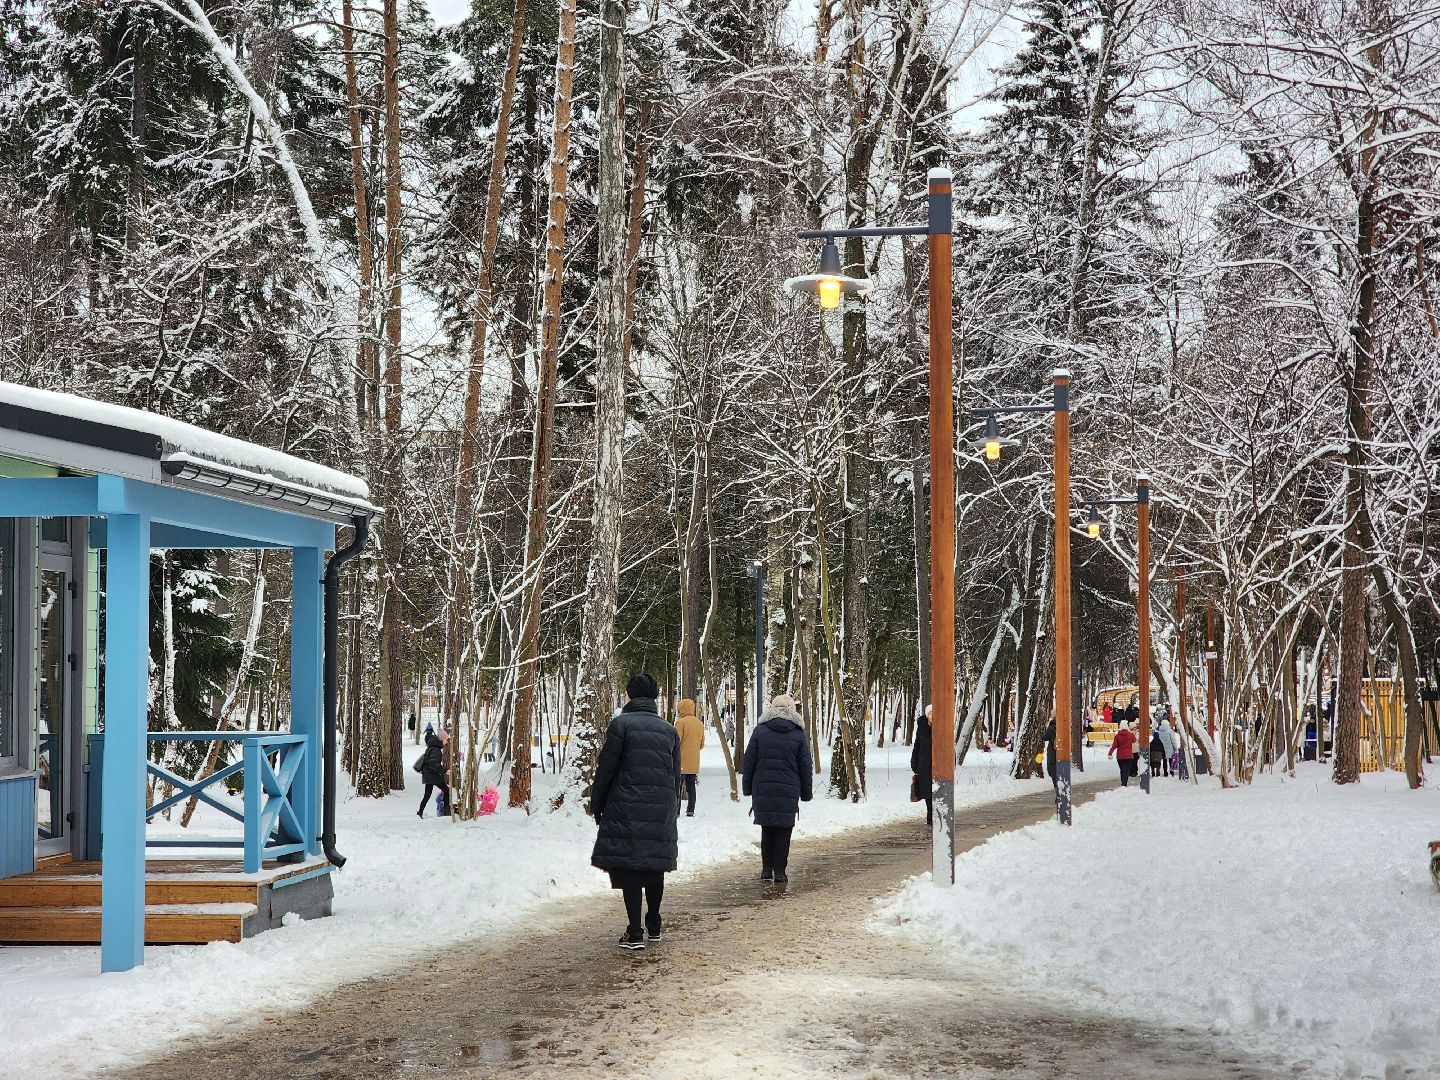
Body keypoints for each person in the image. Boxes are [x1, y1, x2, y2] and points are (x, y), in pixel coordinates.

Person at [591, 673, 682, 950]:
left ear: (630, 695)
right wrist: (673, 808)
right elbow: (675, 775)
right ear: (654, 698)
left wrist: (597, 804)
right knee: (654, 866)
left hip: (626, 807)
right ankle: (653, 923)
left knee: (631, 867)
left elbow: (606, 769)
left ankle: (634, 932)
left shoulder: (621, 725)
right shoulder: (669, 730)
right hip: (660, 808)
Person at [742, 693, 814, 883]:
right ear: (792, 711)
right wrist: (806, 793)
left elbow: (748, 762)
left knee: (767, 829)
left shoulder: (760, 731)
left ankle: (766, 869)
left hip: (763, 789)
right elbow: (805, 765)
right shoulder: (798, 734)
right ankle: (780, 872)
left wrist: (747, 788)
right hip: (789, 790)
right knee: (784, 830)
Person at [675, 697, 706, 817]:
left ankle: (676, 811)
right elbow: (701, 744)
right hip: (694, 761)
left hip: (681, 761)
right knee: (691, 788)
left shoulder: (680, 723)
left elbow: (676, 741)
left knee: (677, 787)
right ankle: (690, 810)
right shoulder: (699, 723)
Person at [416, 726, 450, 817]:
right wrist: (445, 771)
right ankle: (447, 810)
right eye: (446, 739)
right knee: (446, 790)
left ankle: (420, 811)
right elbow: (433, 764)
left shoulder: (432, 747)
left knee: (427, 794)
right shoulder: (436, 749)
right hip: (432, 774)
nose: (446, 742)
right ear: (442, 739)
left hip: (428, 774)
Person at [911, 706, 933, 827]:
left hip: (938, 764)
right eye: (930, 713)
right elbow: (917, 746)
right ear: (927, 715)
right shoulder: (922, 728)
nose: (932, 715)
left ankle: (938, 815)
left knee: (937, 791)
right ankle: (930, 816)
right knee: (927, 792)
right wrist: (914, 763)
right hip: (924, 764)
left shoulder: (941, 726)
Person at [1109, 719, 1138, 786]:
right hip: (1128, 755)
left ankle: (1123, 782)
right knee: (1126, 770)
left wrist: (1110, 753)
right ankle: (1124, 783)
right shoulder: (1130, 735)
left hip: (1120, 756)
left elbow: (1114, 745)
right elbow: (1134, 740)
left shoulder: (1117, 736)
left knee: (1122, 770)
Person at [1043, 716, 1058, 791]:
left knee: (1052, 769)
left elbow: (1045, 737)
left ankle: (1057, 791)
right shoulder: (1063, 726)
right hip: (1061, 751)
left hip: (1053, 750)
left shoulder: (1051, 728)